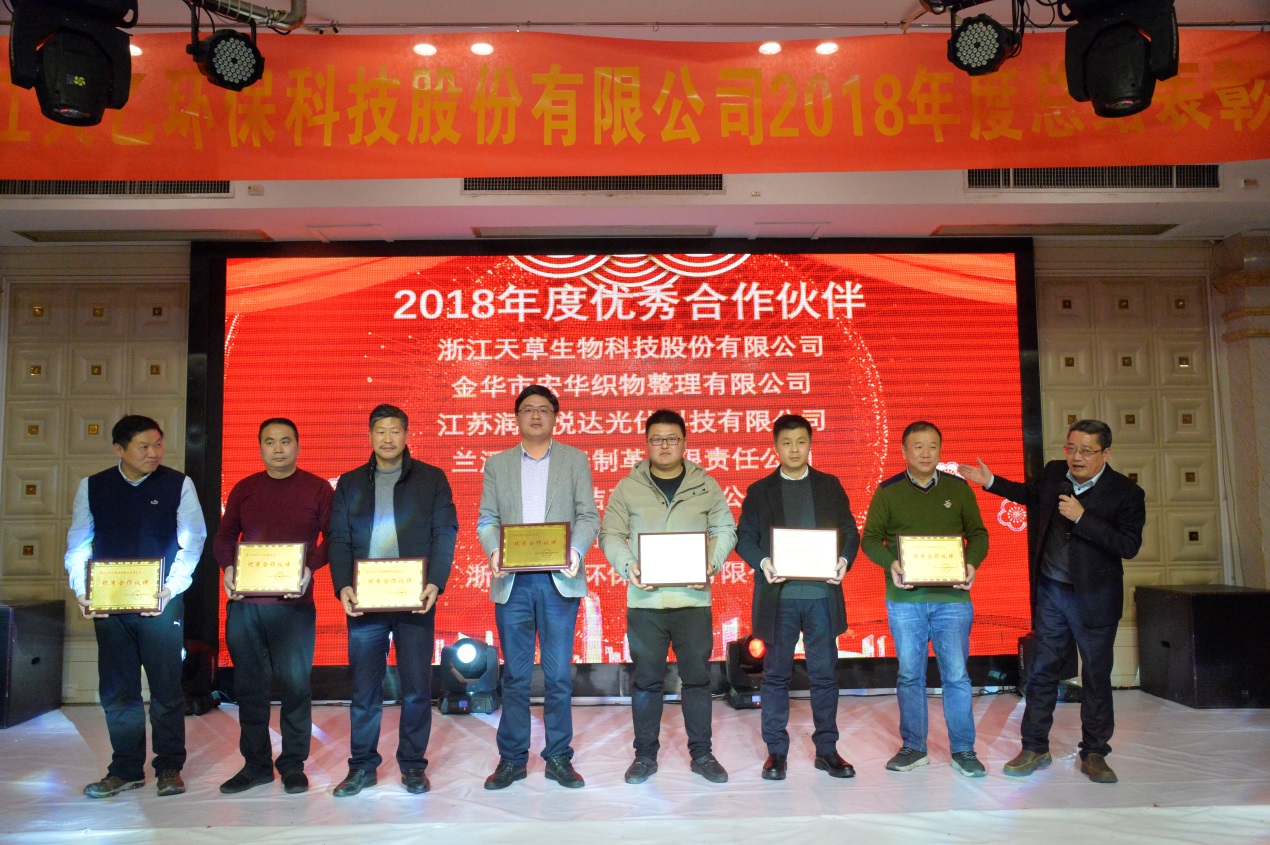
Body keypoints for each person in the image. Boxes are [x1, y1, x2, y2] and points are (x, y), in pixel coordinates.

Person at [961, 418, 1145, 784]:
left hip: (1094, 600)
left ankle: (1094, 752)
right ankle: (1034, 747)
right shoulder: (1055, 473)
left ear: (1106, 453)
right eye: (1071, 448)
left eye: (1086, 451)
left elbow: (1128, 545)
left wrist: (1083, 518)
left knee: (1095, 676)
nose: (1076, 457)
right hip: (1052, 594)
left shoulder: (1126, 493)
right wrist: (991, 482)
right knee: (1041, 672)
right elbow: (1030, 495)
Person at [64, 415, 207, 799]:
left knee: (166, 689)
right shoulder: (93, 486)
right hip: (110, 605)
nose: (153, 453)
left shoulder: (178, 484)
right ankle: (125, 769)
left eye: (158, 444)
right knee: (118, 691)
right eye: (144, 446)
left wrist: (171, 589)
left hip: (161, 604)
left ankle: (169, 767)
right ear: (119, 449)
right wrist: (83, 590)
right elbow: (79, 543)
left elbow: (193, 540)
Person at [599, 409, 738, 785]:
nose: (664, 445)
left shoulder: (705, 484)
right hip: (646, 603)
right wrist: (629, 566)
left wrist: (710, 564)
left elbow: (726, 528)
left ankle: (702, 754)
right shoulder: (627, 488)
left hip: (693, 600)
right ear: (646, 444)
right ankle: (644, 756)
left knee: (697, 680)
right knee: (646, 681)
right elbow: (610, 534)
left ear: (685, 443)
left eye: (672, 438)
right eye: (657, 439)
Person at [327, 404, 458, 797]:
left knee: (416, 688)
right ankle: (362, 767)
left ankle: (413, 766)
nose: (387, 438)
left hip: (414, 599)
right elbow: (338, 537)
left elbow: (445, 532)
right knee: (364, 691)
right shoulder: (350, 483)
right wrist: (342, 585)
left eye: (395, 430)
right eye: (380, 430)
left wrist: (435, 582)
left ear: (406, 434)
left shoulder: (432, 479)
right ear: (370, 435)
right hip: (365, 600)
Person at [476, 385, 601, 790]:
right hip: (513, 583)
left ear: (555, 416)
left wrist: (576, 552)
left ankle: (558, 757)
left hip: (558, 581)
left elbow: (588, 516)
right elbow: (487, 519)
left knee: (558, 676)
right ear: (516, 417)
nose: (535, 416)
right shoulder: (497, 464)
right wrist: (495, 551)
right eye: (527, 409)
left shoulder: (575, 460)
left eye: (543, 409)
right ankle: (512, 759)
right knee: (514, 676)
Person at [861, 420, 989, 778]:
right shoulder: (888, 491)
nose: (925, 453)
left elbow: (979, 534)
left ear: (940, 450)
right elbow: (869, 539)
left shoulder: (958, 489)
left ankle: (963, 750)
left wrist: (971, 564)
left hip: (953, 600)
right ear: (904, 451)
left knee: (957, 676)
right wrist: (892, 564)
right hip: (905, 600)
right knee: (909, 676)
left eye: (932, 446)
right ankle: (914, 747)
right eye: (917, 446)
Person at [736, 414, 859, 781]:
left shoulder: (829, 485)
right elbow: (745, 537)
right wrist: (763, 562)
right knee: (775, 676)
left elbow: (849, 531)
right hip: (780, 597)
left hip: (821, 596)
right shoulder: (760, 491)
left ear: (810, 444)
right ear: (775, 447)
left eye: (801, 442)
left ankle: (827, 750)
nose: (794, 449)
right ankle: (776, 751)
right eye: (786, 443)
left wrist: (842, 561)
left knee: (824, 675)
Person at [213, 418, 333, 796]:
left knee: (296, 688)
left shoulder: (318, 488)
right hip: (246, 606)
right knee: (250, 689)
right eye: (270, 442)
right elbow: (224, 537)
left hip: (294, 607)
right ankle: (257, 766)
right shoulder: (245, 488)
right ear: (260, 447)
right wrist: (228, 568)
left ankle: (293, 765)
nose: (278, 448)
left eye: (285, 441)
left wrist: (310, 568)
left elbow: (333, 538)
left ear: (298, 445)